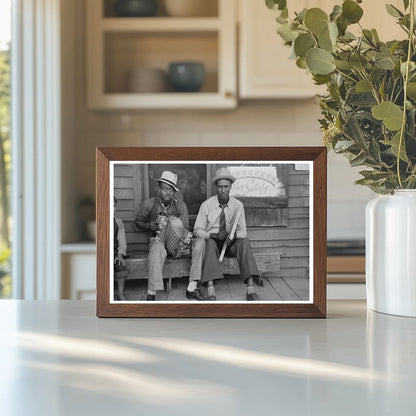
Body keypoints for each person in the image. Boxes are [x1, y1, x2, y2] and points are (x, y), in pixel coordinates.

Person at [189, 167, 261, 301]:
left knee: (244, 243)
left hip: (230, 243)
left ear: (230, 187)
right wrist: (213, 235)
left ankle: (250, 290)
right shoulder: (206, 205)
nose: (223, 190)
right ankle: (211, 290)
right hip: (214, 243)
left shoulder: (238, 205)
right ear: (216, 187)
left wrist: (233, 236)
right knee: (209, 244)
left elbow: (243, 232)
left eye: (226, 187)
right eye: (220, 187)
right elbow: (197, 231)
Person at [135, 171, 189, 301]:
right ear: (158, 189)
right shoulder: (149, 204)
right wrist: (149, 226)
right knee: (157, 248)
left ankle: (193, 287)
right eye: (165, 189)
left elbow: (185, 228)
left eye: (171, 190)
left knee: (198, 245)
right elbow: (138, 222)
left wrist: (181, 243)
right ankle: (152, 292)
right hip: (157, 241)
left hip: (175, 245)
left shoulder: (180, 205)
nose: (168, 193)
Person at [114, 196, 128, 301]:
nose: (113, 209)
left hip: (114, 253)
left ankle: (120, 293)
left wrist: (120, 254)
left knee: (120, 265)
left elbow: (122, 241)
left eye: (114, 206)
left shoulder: (118, 222)